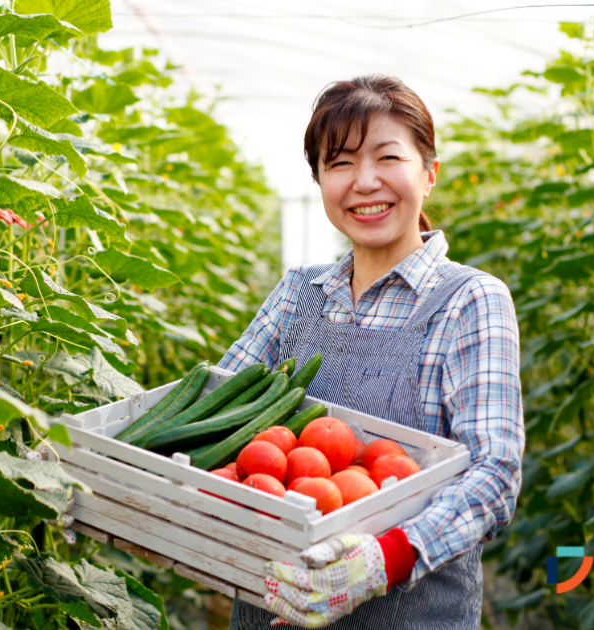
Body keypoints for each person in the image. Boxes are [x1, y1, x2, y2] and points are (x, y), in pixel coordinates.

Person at [218, 75, 525, 629]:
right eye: (339, 163)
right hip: (271, 607)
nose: (365, 182)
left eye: (388, 157)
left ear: (428, 174)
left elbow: (495, 472)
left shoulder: (470, 301)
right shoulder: (298, 294)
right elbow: (219, 401)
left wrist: (387, 557)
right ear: (319, 180)